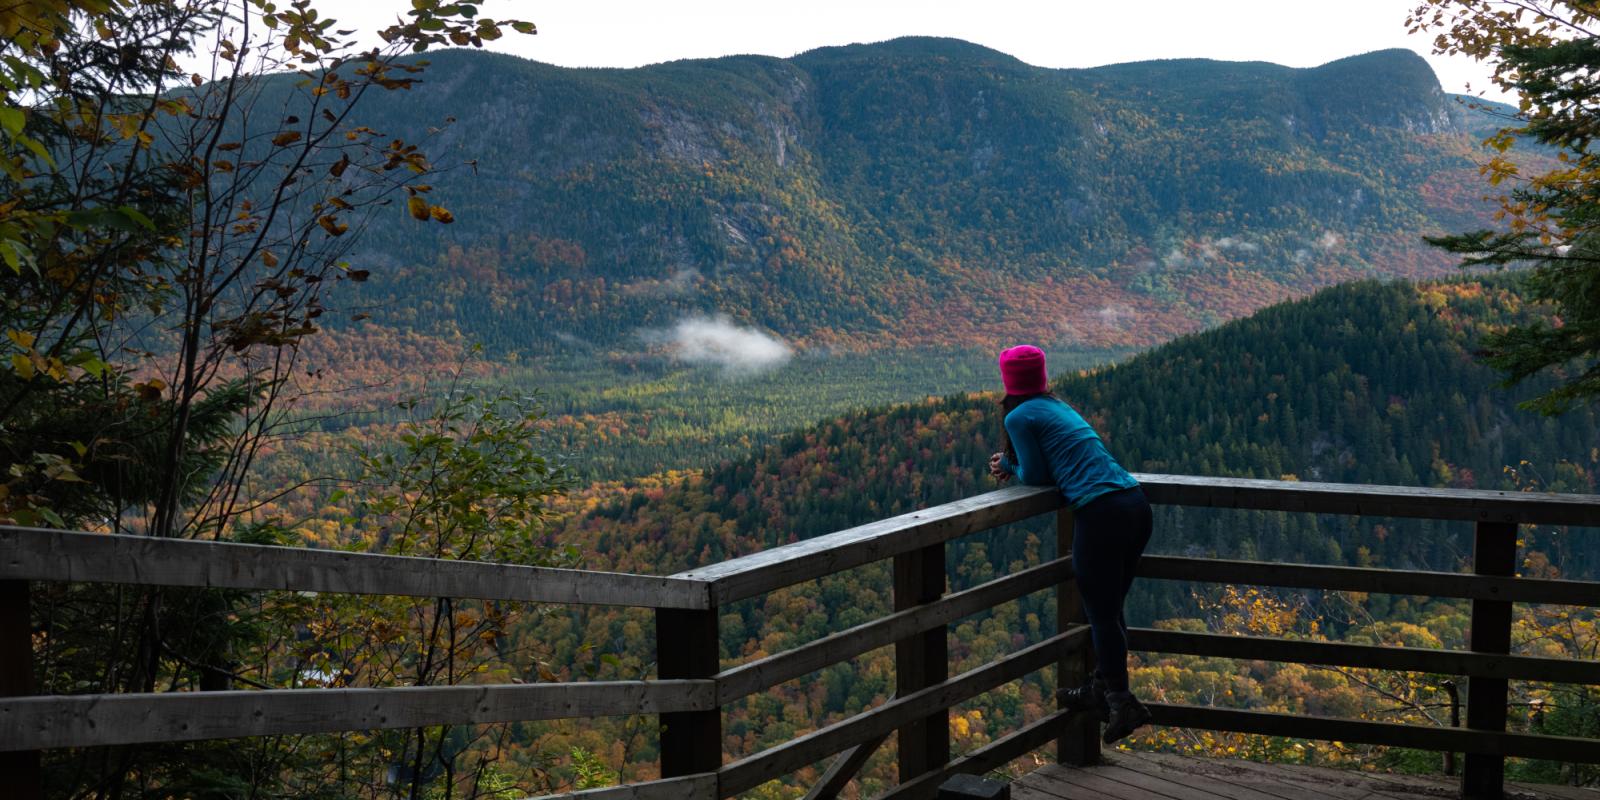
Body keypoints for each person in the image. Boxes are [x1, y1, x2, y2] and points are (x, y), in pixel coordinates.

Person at [988, 344, 1154, 744]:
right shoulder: (1059, 407)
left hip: (1100, 513)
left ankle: (1121, 702)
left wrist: (1006, 464)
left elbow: (1036, 474)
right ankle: (1102, 688)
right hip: (1134, 504)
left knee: (1101, 614)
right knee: (1110, 610)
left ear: (1008, 382)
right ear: (1042, 377)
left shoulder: (1019, 416)